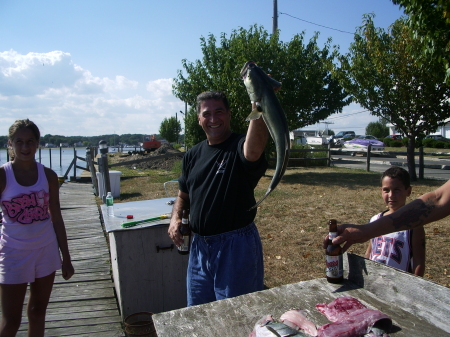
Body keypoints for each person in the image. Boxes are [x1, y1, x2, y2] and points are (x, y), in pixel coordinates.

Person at [167, 90, 268, 306]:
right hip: (199, 249)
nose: (213, 119)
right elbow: (183, 196)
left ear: (229, 114)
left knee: (237, 316)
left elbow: (253, 152)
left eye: (219, 112)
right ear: (198, 119)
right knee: (199, 313)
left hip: (236, 247)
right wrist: (175, 218)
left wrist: (259, 100)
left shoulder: (239, 145)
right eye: (206, 113)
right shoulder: (192, 155)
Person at [0, 119, 74, 336]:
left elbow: (57, 218)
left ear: (37, 143)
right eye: (19, 142)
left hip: (46, 250)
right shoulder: (3, 176)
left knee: (37, 311)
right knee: (11, 321)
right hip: (13, 253)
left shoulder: (49, 176)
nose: (25, 147)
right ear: (10, 144)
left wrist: (66, 258)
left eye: (30, 141)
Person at [327, 178, 450, 253]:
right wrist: (367, 230)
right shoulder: (375, 218)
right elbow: (438, 200)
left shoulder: (416, 231)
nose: (391, 195)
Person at [364, 167, 425, 276]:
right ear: (381, 191)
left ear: (408, 191)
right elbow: (370, 251)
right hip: (374, 280)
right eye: (386, 190)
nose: (391, 195)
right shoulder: (375, 220)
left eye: (397, 190)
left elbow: (418, 262)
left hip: (399, 285)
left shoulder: (413, 225)